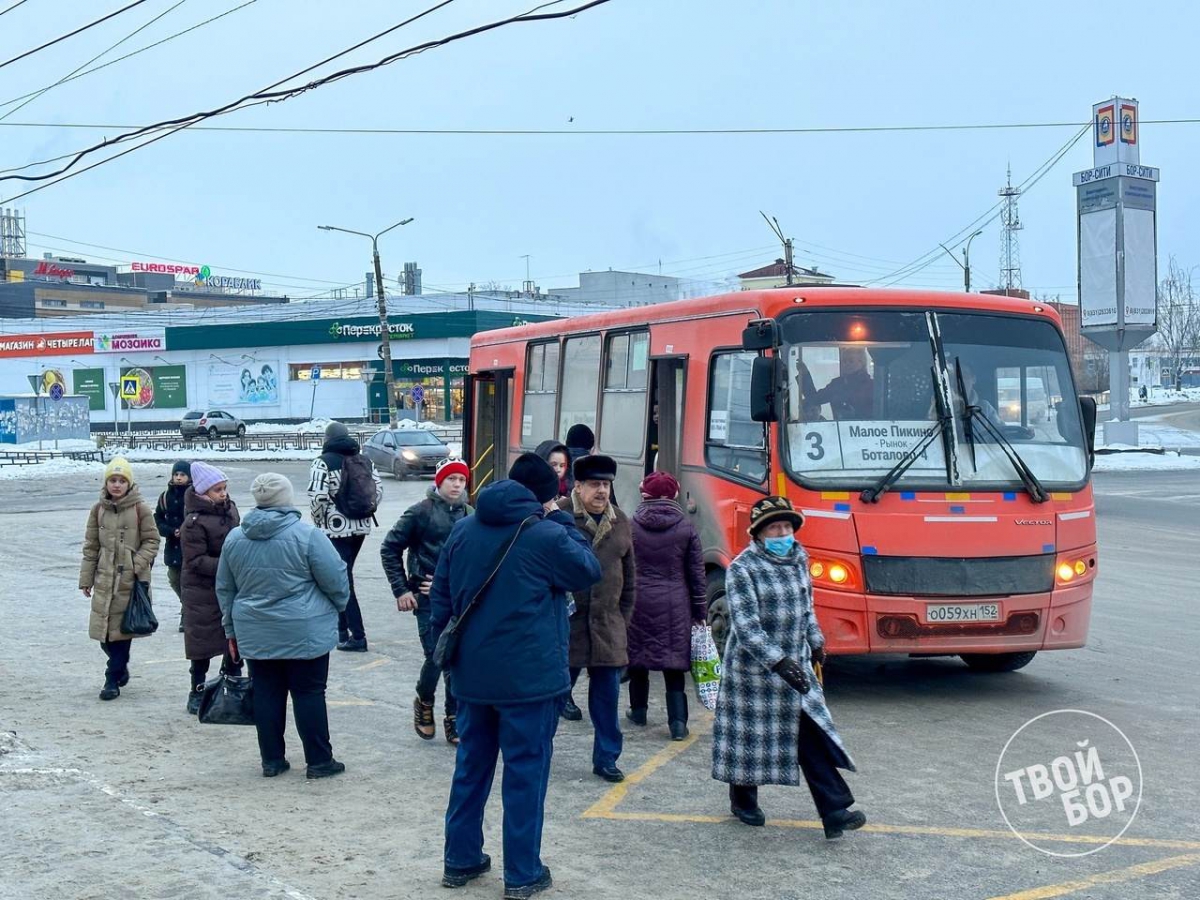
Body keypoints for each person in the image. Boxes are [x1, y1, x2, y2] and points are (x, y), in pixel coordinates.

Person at [430, 453, 601, 899]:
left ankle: (460, 859)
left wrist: (448, 657)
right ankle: (522, 873)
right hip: (529, 681)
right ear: (546, 498)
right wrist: (559, 519)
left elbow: (442, 599)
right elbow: (587, 569)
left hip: (472, 677)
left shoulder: (464, 528)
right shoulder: (545, 534)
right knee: (525, 775)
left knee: (471, 768)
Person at [712, 496, 866, 840]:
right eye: (774, 527)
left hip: (796, 669)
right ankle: (743, 799)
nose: (782, 533)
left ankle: (834, 811)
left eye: (786, 527)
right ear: (758, 533)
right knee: (748, 741)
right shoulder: (742, 568)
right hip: (752, 674)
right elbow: (747, 626)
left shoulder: (799, 559)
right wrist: (777, 661)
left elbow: (807, 607)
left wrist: (816, 640)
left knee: (811, 735)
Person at [216, 472, 350, 779]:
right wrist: (338, 606)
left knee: (266, 693)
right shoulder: (308, 536)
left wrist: (230, 630)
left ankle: (272, 760)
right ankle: (319, 761)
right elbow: (335, 579)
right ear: (287, 499)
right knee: (309, 693)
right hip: (304, 630)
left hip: (255, 629)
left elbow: (225, 589)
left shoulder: (235, 538)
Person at [381, 457, 473, 744]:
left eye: (462, 480)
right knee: (436, 656)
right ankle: (424, 698)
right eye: (451, 479)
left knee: (456, 659)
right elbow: (389, 548)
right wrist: (401, 590)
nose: (457, 485)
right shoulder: (420, 513)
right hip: (426, 598)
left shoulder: (471, 514)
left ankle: (454, 717)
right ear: (439, 482)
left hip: (459, 599)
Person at [560, 454, 636, 783]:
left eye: (605, 485)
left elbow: (631, 580)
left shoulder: (620, 521)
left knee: (607, 700)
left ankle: (606, 758)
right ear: (578, 486)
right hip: (567, 627)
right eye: (594, 484)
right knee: (554, 695)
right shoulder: (559, 517)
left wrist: (622, 618)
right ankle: (537, 751)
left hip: (608, 628)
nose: (601, 491)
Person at [626, 471, 707, 741]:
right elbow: (697, 574)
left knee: (638, 658)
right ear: (674, 495)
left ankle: (638, 711)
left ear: (644, 494)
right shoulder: (685, 528)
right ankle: (678, 724)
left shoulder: (631, 526)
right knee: (673, 664)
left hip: (639, 601)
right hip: (676, 603)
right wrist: (700, 612)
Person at [79, 457, 160, 701]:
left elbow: (152, 540)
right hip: (104, 578)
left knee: (122, 632)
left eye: (121, 480)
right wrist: (86, 579)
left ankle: (111, 679)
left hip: (130, 580)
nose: (116, 485)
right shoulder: (98, 509)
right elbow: (91, 546)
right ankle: (120, 667)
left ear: (129, 483)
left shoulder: (140, 509)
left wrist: (136, 564)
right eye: (112, 480)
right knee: (104, 634)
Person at [309, 421, 382, 652]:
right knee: (342, 574)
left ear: (326, 439)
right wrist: (363, 511)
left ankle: (357, 636)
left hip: (334, 529)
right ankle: (342, 631)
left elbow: (317, 496)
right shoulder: (364, 460)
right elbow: (378, 490)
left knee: (342, 580)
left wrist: (320, 520)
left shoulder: (323, 462)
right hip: (361, 527)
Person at [180, 461, 242, 715]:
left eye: (225, 488)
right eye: (218, 490)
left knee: (234, 637)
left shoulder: (231, 511)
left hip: (230, 587)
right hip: (201, 590)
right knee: (202, 642)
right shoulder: (193, 523)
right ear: (204, 493)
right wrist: (228, 564)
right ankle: (197, 689)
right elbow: (194, 561)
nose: (223, 494)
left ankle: (234, 683)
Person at [154, 459, 191, 632]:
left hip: (191, 546)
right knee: (174, 579)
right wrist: (170, 531)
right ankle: (187, 606)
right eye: (176, 474)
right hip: (173, 546)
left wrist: (186, 530)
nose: (178, 478)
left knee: (189, 582)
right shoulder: (165, 497)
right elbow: (158, 519)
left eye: (182, 475)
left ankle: (187, 614)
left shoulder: (194, 495)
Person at [808, 347, 874, 419]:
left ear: (861, 362)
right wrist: (805, 376)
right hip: (839, 428)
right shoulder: (837, 385)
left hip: (867, 429)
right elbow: (815, 399)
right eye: (844, 361)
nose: (847, 364)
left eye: (851, 361)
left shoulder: (872, 386)